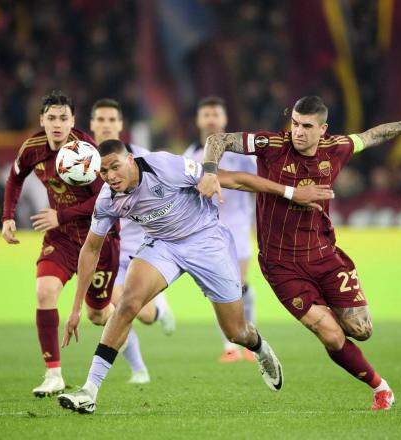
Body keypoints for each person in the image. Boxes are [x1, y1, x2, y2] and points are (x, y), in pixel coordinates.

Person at [198, 96, 401, 410]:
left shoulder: (337, 147)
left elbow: (375, 135)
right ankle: (381, 388)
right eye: (294, 123)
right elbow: (217, 140)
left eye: (306, 126)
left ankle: (332, 322)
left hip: (324, 254)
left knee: (361, 330)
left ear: (323, 129)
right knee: (331, 336)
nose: (298, 132)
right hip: (281, 265)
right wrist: (210, 171)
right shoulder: (271, 144)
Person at [57, 140, 334, 414]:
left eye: (115, 167)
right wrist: (75, 307)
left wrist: (291, 192)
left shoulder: (164, 166)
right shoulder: (107, 199)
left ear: (129, 158)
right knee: (128, 304)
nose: (111, 177)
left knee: (236, 332)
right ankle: (89, 391)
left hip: (206, 241)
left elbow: (233, 179)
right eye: (104, 172)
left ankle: (259, 346)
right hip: (163, 246)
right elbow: (91, 249)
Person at [1, 90, 121, 398]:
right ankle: (53, 373)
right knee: (44, 290)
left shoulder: (88, 153)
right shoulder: (32, 148)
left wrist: (62, 214)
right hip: (63, 237)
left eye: (63, 118)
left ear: (73, 122)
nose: (57, 124)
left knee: (97, 315)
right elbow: (15, 178)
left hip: (100, 237)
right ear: (42, 120)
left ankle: (123, 314)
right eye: (51, 118)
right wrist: (7, 217)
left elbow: (104, 199)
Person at [89, 98, 176, 385]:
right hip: (106, 252)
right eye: (100, 120)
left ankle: (160, 310)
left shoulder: (141, 158)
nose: (106, 125)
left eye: (111, 120)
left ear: (120, 125)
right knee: (108, 311)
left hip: (137, 252)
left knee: (143, 315)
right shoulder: (81, 163)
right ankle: (139, 369)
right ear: (92, 125)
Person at [184, 97, 257, 363]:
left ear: (225, 119)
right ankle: (230, 345)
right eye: (206, 114)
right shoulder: (188, 156)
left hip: (238, 226)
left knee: (241, 286)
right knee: (220, 288)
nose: (211, 119)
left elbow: (258, 185)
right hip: (208, 230)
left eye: (216, 113)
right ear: (198, 120)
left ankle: (249, 339)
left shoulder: (241, 155)